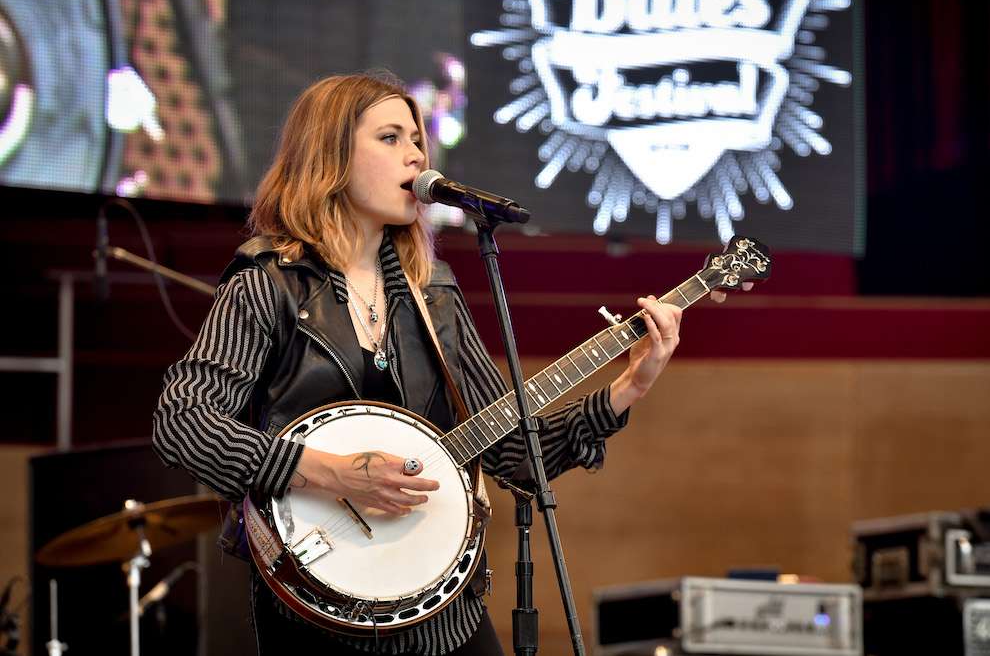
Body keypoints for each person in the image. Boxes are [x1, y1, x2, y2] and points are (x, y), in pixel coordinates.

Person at [152, 71, 737, 655]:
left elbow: (515, 455)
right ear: (329, 155)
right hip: (315, 608)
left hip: (442, 612)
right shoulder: (270, 283)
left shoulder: (433, 292)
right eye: (390, 138)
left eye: (416, 139)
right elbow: (182, 421)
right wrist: (329, 470)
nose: (415, 155)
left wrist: (629, 386)